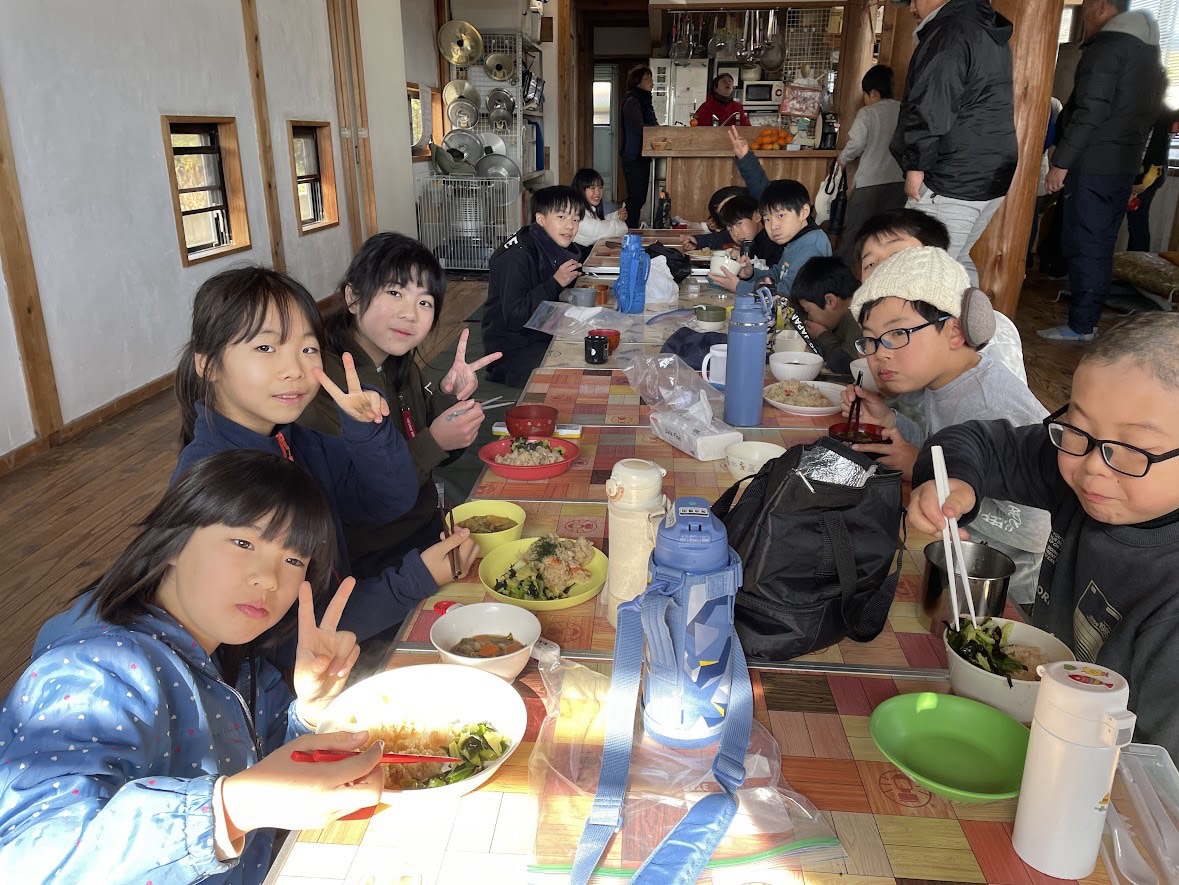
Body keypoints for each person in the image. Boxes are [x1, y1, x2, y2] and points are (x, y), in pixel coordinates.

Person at [0, 450, 387, 883]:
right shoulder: (97, 673)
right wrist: (231, 809)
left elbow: (276, 770)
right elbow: (26, 859)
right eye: (244, 543)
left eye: (294, 560)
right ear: (174, 542)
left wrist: (310, 711)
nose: (269, 578)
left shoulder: (240, 663)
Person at [907, 312, 1179, 758]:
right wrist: (957, 482)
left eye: (1134, 449)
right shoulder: (1083, 466)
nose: (1092, 466)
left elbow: (1156, 774)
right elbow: (979, 443)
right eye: (1078, 429)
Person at [840, 246, 1051, 605]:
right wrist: (891, 420)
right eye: (871, 340)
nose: (880, 353)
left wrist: (929, 475)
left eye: (897, 333)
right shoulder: (946, 382)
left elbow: (1036, 530)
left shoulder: (989, 403)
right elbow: (941, 442)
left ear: (954, 332)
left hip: (1007, 592)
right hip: (958, 556)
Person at [300, 233, 499, 577]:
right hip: (373, 558)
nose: (410, 314)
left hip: (423, 528)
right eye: (394, 293)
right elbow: (365, 497)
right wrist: (435, 441)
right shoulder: (329, 384)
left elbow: (429, 446)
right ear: (352, 297)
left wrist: (449, 399)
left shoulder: (398, 363)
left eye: (425, 302)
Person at [1040, 1, 1164, 341]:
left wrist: (1061, 162)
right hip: (1121, 165)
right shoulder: (1149, 54)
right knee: (1100, 243)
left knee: (1084, 243)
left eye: (1086, 8)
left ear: (1100, 8)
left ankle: (1081, 326)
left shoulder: (1108, 47)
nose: (1085, 16)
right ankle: (1086, 321)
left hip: (1093, 164)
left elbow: (1089, 111)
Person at [890, 0, 1018, 287]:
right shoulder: (985, 28)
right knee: (955, 261)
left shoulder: (950, 31)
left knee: (923, 272)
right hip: (990, 171)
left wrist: (915, 165)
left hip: (951, 175)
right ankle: (975, 318)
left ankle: (947, 318)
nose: (911, 9)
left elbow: (931, 104)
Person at [854, 208, 1027, 384]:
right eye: (870, 264)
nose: (882, 269)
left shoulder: (990, 331)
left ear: (938, 260)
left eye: (897, 256)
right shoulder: (876, 328)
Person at [710, 126, 831, 297]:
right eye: (767, 219)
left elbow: (788, 293)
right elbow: (776, 274)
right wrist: (750, 274)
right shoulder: (796, 239)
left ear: (804, 212)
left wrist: (739, 287)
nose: (773, 226)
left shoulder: (810, 246)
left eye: (781, 216)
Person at [483, 185, 584, 387]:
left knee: (594, 345)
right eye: (562, 217)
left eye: (575, 219)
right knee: (572, 376)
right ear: (540, 219)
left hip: (540, 331)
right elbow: (515, 318)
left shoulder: (547, 246)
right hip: (511, 349)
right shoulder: (517, 257)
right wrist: (555, 283)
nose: (570, 226)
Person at [836, 64, 905, 261]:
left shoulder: (868, 113)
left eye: (865, 95)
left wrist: (842, 159)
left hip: (870, 183)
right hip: (900, 183)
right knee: (891, 234)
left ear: (873, 93)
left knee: (856, 233)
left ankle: (846, 274)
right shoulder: (904, 110)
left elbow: (856, 143)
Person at [789, 256, 861, 375]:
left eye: (807, 311)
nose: (808, 317)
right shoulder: (844, 310)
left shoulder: (858, 316)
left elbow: (847, 366)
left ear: (830, 301)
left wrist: (822, 335)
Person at [1126, 105, 1174, 252]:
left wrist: (1142, 182)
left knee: (1137, 221)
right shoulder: (1152, 111)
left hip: (1148, 176)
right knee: (1135, 221)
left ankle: (1138, 260)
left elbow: (1157, 152)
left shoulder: (1160, 113)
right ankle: (1133, 258)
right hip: (1145, 174)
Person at [620, 66, 658, 225]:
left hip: (641, 155)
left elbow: (651, 125)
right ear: (637, 82)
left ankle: (630, 228)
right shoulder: (632, 101)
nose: (651, 82)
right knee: (636, 197)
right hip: (633, 156)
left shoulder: (644, 101)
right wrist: (657, 130)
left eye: (651, 78)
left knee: (639, 197)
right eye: (647, 79)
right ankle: (628, 229)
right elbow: (639, 128)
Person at [571, 167, 628, 258]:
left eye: (600, 187)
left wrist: (616, 216)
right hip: (580, 264)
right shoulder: (577, 215)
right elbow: (599, 229)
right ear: (581, 190)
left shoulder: (584, 209)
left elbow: (598, 222)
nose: (598, 192)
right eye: (592, 188)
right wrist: (622, 224)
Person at [715, 194, 776, 265]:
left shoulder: (773, 241)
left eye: (739, 224)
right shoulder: (752, 241)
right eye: (730, 229)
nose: (736, 233)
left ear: (757, 216)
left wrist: (744, 257)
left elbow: (771, 270)